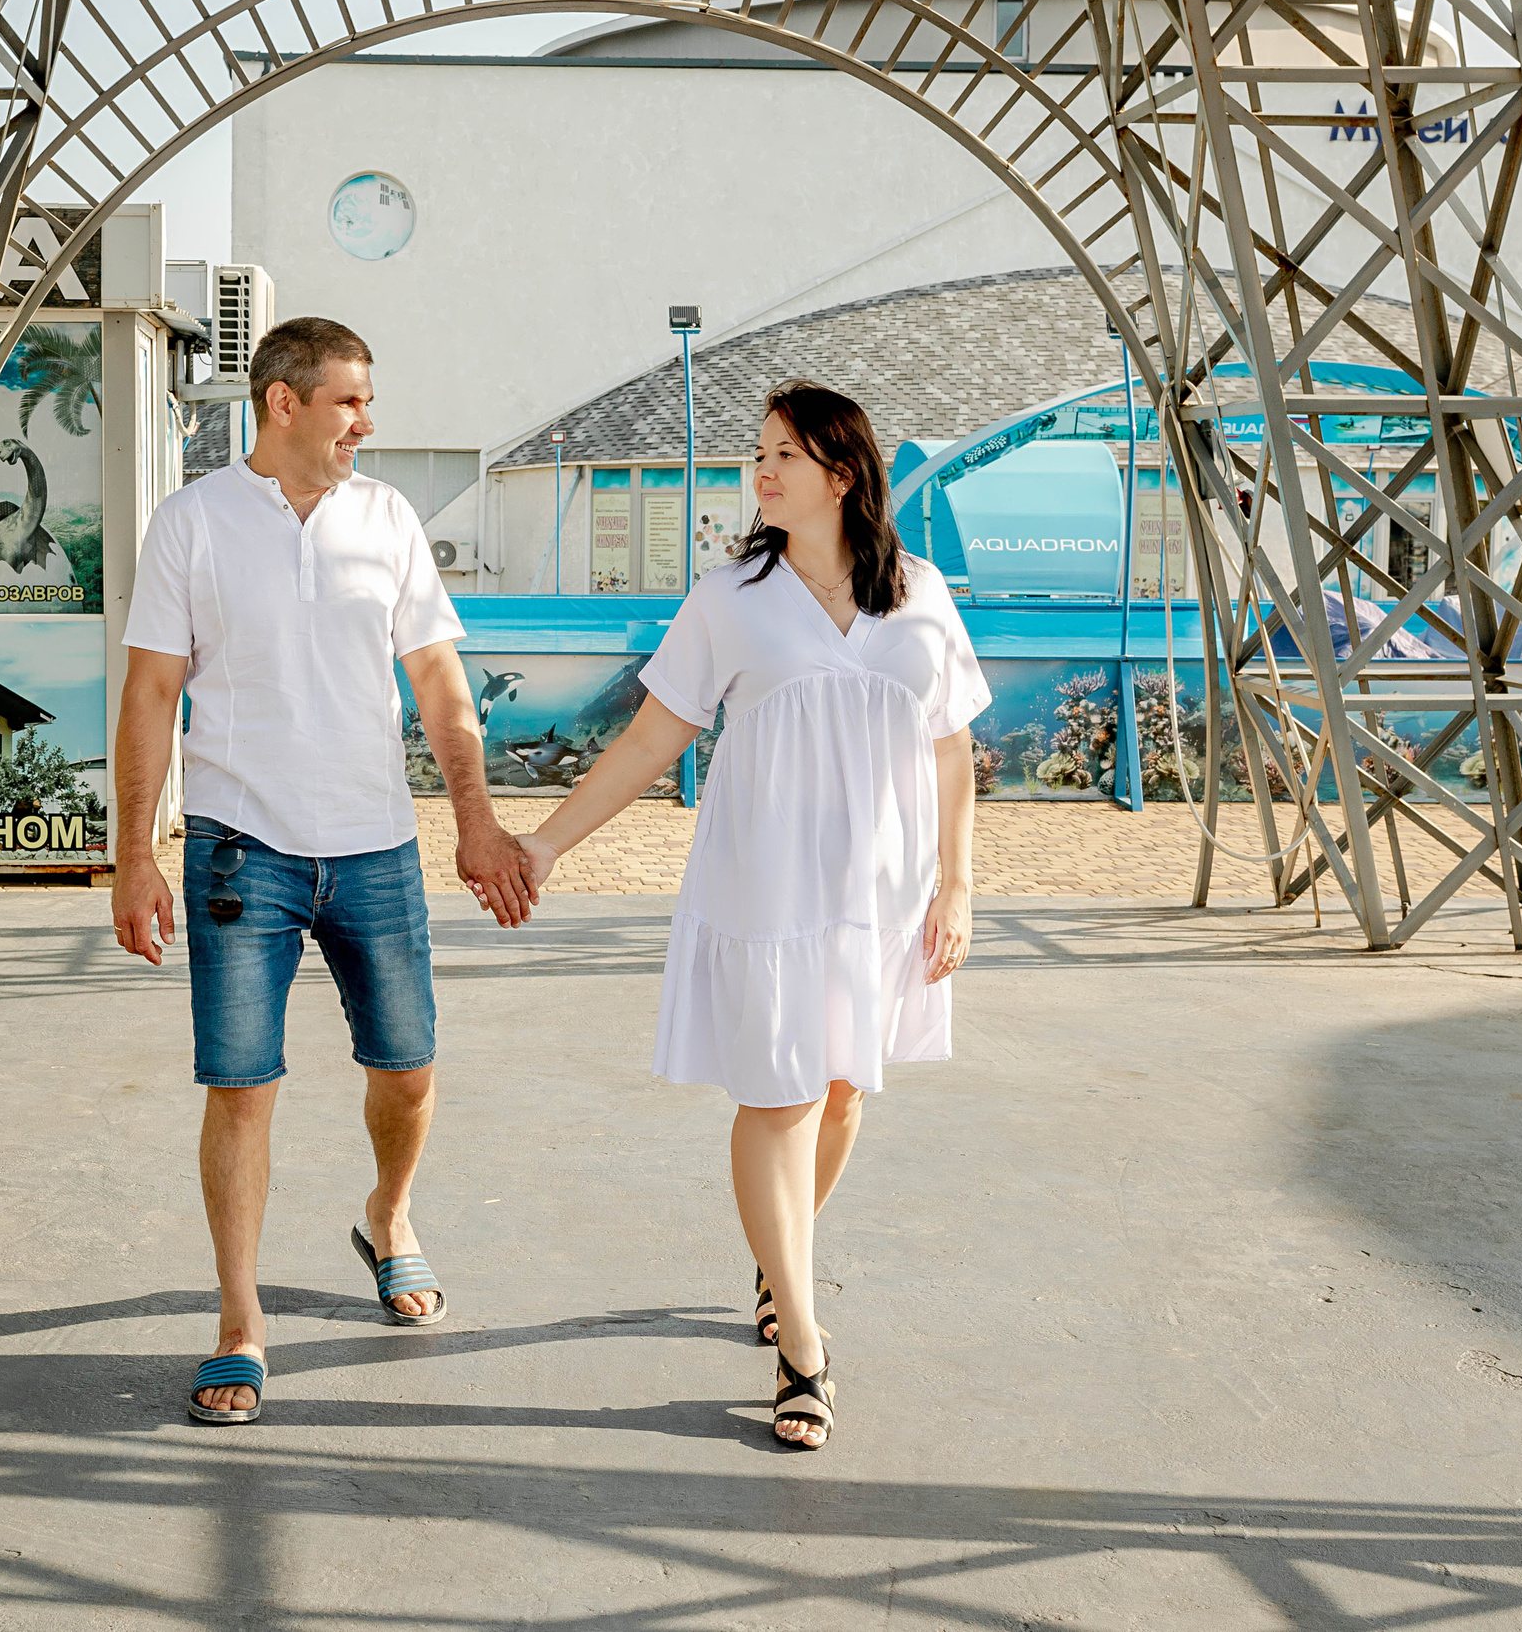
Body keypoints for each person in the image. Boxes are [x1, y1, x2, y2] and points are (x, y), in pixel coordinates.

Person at [514, 381, 986, 1451]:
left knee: (841, 1093)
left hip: (882, 895)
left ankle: (780, 1266)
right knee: (777, 1099)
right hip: (765, 887)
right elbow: (648, 740)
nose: (760, 472)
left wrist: (957, 886)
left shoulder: (919, 592)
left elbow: (951, 748)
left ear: (844, 471)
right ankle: (803, 1348)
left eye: (782, 454)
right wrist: (546, 841)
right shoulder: (729, 596)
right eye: (756, 454)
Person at [110, 315, 540, 1426]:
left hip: (375, 845)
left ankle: (388, 1217)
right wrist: (132, 857)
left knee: (407, 1068)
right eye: (349, 400)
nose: (367, 422)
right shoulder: (192, 524)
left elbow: (441, 687)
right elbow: (152, 695)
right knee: (240, 1088)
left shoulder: (388, 518)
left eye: (367, 401)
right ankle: (241, 1325)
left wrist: (476, 823)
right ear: (281, 401)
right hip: (237, 850)